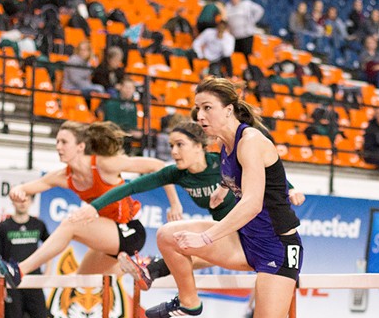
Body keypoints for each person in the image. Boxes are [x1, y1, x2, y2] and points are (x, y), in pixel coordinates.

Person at [149, 77, 303, 318]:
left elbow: (252, 202)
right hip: (246, 243)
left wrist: (208, 236)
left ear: (230, 109)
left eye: (207, 108)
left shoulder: (252, 142)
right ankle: (189, 301)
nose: (199, 115)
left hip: (279, 248)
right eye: (196, 109)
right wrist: (222, 190)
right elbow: (243, 191)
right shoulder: (225, 146)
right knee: (168, 235)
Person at [67, 119, 304, 291]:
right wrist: (94, 207)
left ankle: (152, 268)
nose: (173, 152)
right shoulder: (177, 173)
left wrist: (290, 187)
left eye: (179, 145)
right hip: (228, 232)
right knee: (185, 247)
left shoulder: (219, 162)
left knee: (189, 245)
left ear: (199, 146)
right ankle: (155, 273)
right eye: (171, 146)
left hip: (258, 229)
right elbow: (131, 187)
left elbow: (266, 168)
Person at [0, 121, 173, 286]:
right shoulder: (64, 176)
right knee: (83, 280)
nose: (58, 147)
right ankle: (138, 265)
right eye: (57, 142)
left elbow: (159, 167)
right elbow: (28, 188)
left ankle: (20, 269)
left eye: (64, 142)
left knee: (71, 223)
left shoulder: (103, 165)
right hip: (110, 237)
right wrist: (17, 191)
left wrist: (175, 204)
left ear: (80, 146)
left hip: (129, 231)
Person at [0, 194, 50, 318]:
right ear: (12, 202)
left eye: (25, 200)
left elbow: (50, 248)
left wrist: (48, 272)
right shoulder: (3, 226)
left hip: (34, 283)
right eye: (19, 200)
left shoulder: (38, 225)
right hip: (12, 284)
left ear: (31, 202)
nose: (22, 203)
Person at [96, 77, 141, 154]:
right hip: (114, 133)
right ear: (120, 87)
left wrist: (135, 131)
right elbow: (111, 124)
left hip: (128, 133)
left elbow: (134, 123)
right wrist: (129, 131)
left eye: (131, 88)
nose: (128, 90)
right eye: (126, 87)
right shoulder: (112, 103)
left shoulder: (133, 105)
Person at [224, 0, 263, 68]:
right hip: (234, 36)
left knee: (247, 56)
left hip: (246, 35)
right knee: (237, 57)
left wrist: (252, 21)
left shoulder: (246, 4)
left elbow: (260, 10)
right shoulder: (228, 6)